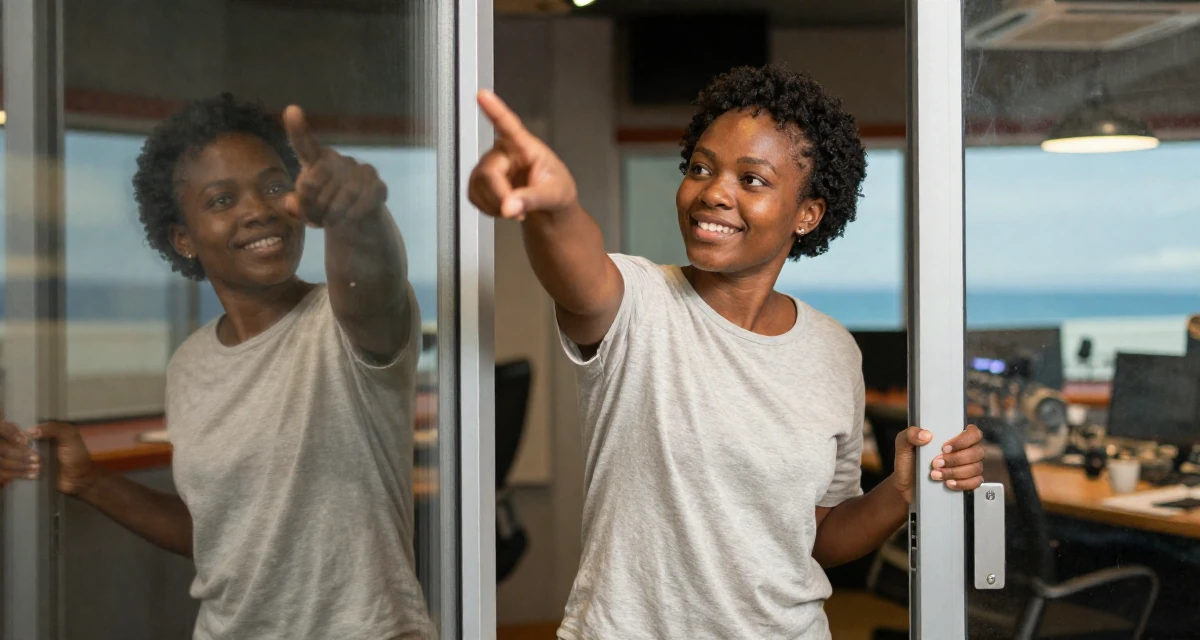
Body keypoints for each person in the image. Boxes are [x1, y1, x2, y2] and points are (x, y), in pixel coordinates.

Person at [469, 64, 987, 639]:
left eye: (753, 180)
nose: (714, 193)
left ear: (808, 213)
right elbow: (578, 272)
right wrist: (554, 207)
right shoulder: (640, 302)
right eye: (700, 169)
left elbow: (821, 537)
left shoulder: (834, 350)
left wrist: (900, 491)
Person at [0, 94, 432, 640]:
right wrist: (88, 481)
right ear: (184, 239)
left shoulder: (346, 323)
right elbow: (220, 535)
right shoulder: (190, 364)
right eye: (222, 199)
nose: (259, 209)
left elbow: (372, 280)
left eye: (275, 185)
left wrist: (359, 217)